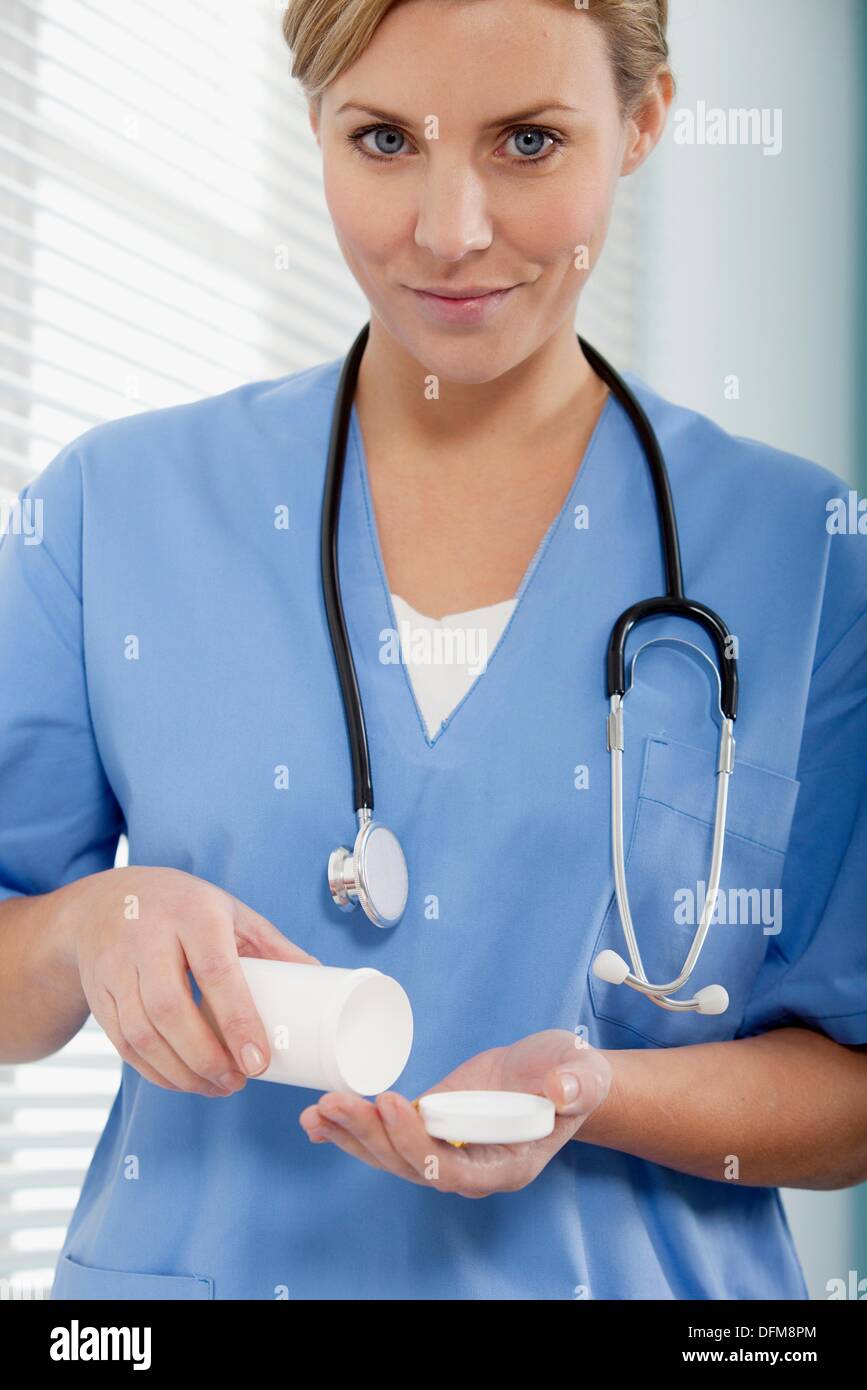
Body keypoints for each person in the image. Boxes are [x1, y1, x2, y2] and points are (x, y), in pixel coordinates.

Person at [0, 0, 864, 1302]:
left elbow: (852, 1094)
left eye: (526, 140)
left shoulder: (803, 551)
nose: (449, 230)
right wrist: (85, 927)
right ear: (316, 125)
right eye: (385, 137)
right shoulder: (113, 509)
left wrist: (600, 1089)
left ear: (644, 121)